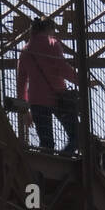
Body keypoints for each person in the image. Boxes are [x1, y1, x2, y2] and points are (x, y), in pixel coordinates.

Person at [17, 15, 80, 154]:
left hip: (36, 101)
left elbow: (21, 81)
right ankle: (64, 157)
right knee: (76, 136)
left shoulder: (25, 51)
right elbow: (62, 67)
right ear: (49, 29)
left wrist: (24, 109)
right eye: (54, 30)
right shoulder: (52, 43)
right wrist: (82, 81)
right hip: (59, 98)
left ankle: (46, 169)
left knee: (46, 143)